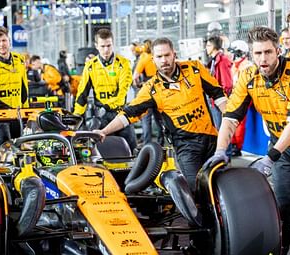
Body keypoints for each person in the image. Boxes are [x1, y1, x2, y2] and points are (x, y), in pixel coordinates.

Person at [203, 26, 290, 255]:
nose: (263, 59)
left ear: (278, 51)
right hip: (284, 153)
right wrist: (221, 150)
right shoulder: (247, 75)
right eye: (258, 53)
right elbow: (231, 117)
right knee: (283, 209)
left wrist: (270, 157)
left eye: (268, 52)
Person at [94, 37, 227, 191]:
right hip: (186, 146)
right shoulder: (151, 88)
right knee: (195, 190)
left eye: (167, 55)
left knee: (223, 185)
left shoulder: (194, 69)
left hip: (212, 139)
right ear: (153, 60)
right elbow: (129, 113)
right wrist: (104, 131)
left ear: (174, 54)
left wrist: (230, 117)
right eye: (159, 57)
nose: (164, 60)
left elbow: (217, 93)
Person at [74, 28, 135, 150]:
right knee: (99, 151)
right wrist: (76, 117)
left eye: (109, 45)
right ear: (96, 46)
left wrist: (106, 107)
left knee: (131, 149)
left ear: (113, 44)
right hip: (100, 116)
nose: (106, 50)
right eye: (102, 46)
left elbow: (122, 93)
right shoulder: (90, 66)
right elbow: (82, 93)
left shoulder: (124, 64)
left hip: (121, 113)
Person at [133, 39, 162, 145]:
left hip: (148, 90)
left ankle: (148, 143)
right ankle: (162, 141)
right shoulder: (157, 57)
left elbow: (135, 76)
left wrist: (137, 85)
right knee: (160, 118)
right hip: (160, 89)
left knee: (146, 118)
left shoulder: (144, 59)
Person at [226, 40, 252, 156]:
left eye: (233, 53)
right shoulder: (235, 66)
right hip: (236, 95)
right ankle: (233, 144)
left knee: (240, 122)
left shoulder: (246, 65)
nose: (231, 55)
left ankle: (237, 146)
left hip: (245, 96)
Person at [206, 35, 233, 129]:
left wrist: (221, 98)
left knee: (222, 128)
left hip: (219, 100)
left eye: (208, 45)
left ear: (214, 47)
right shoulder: (214, 61)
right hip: (214, 100)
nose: (206, 48)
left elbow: (227, 83)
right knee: (218, 127)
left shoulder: (222, 60)